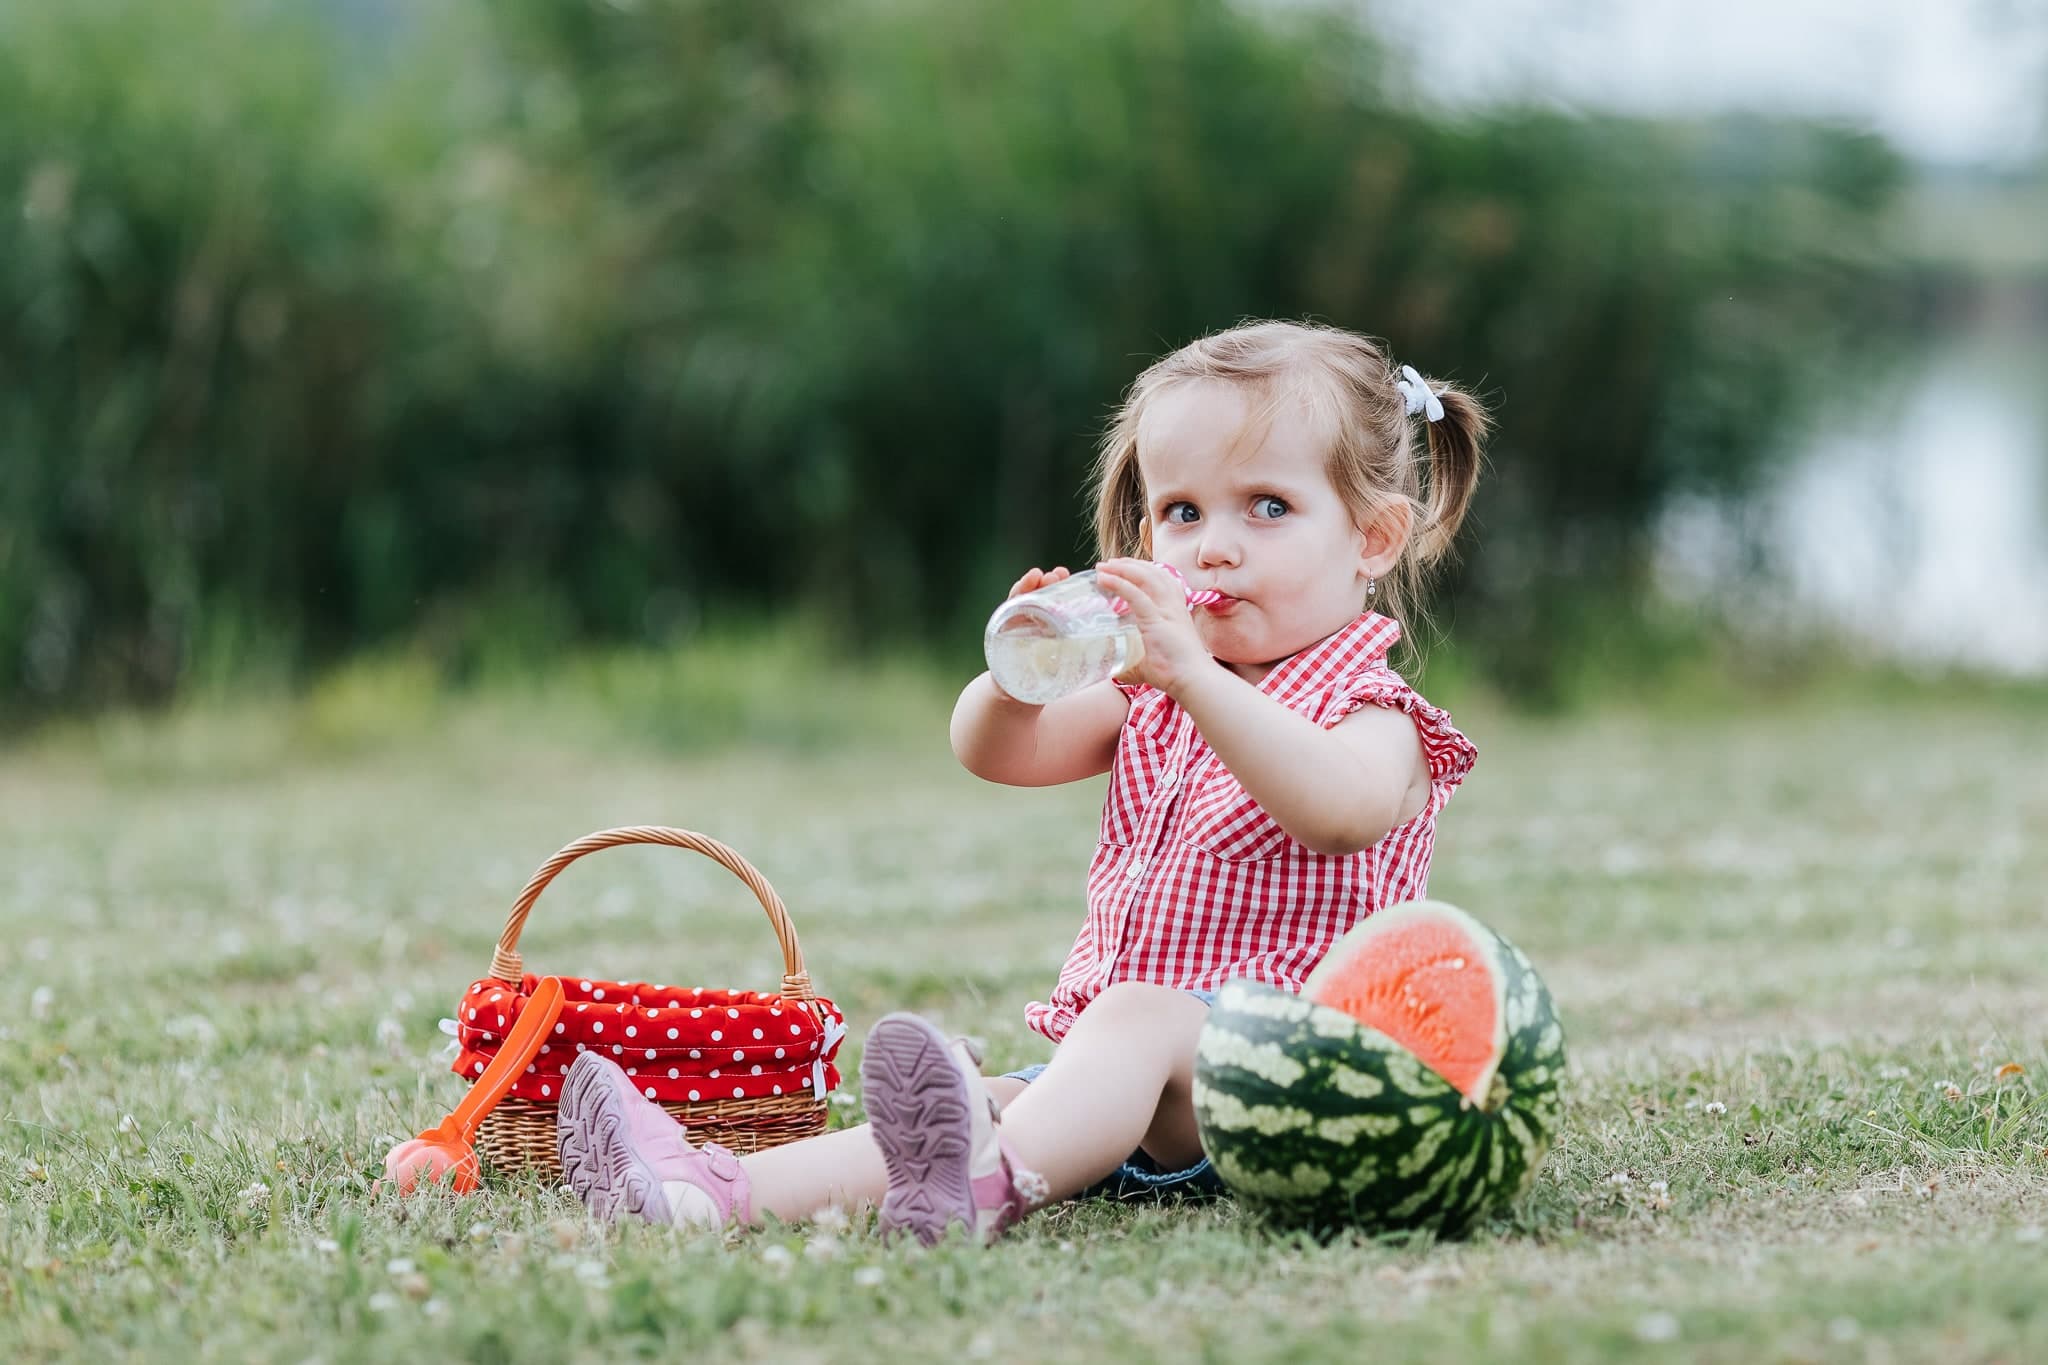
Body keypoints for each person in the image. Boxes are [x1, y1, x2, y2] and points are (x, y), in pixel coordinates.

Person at [555, 320, 1488, 1243]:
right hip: (1144, 1094)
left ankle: (985, 1183)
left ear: (1373, 538)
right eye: (1183, 512)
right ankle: (711, 1191)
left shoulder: (1375, 715)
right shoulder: (1150, 691)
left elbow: (1339, 812)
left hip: (1309, 1090)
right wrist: (1018, 681)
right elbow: (993, 752)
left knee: (1136, 1016)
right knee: (997, 1098)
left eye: (1268, 507)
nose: (1213, 546)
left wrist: (1197, 680)